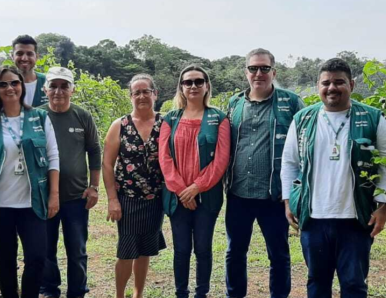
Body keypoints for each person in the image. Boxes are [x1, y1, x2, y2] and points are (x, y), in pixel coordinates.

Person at [281, 58, 386, 298]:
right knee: (317, 283)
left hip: (356, 219)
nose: (332, 88)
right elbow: (289, 162)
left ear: (352, 85)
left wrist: (384, 207)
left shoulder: (372, 118)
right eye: (326, 83)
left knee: (354, 285)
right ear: (318, 86)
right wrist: (288, 202)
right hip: (314, 219)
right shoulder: (303, 120)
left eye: (339, 82)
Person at [0, 66, 60, 298]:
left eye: (14, 83)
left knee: (37, 257)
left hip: (33, 202)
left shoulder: (39, 118)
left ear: (21, 85)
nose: (9, 88)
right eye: (3, 84)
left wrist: (54, 194)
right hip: (0, 205)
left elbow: (53, 156)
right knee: (6, 259)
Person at [224, 48, 304, 298]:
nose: (258, 73)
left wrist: (296, 191)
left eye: (264, 68)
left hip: (274, 196)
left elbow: (304, 147)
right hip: (239, 193)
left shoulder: (290, 102)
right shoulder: (235, 103)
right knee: (235, 252)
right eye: (253, 68)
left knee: (278, 253)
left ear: (273, 71)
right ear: (246, 72)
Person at [160, 65, 231, 298]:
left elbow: (221, 161)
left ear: (206, 85)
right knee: (181, 250)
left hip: (207, 197)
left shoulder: (218, 118)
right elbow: (165, 158)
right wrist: (183, 191)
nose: (193, 86)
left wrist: (196, 188)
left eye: (198, 82)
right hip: (177, 196)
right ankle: (181, 293)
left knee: (203, 249)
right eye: (188, 82)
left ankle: (202, 293)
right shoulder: (171, 118)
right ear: (181, 87)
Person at [102, 74, 167, 298]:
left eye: (145, 91)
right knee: (127, 251)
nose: (141, 96)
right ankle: (120, 295)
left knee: (145, 249)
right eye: (136, 92)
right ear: (131, 97)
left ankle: (138, 294)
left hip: (155, 200)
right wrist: (112, 200)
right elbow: (107, 165)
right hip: (127, 200)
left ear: (155, 94)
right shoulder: (119, 126)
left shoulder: (166, 123)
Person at [39, 67, 102, 298]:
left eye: (64, 86)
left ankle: (77, 291)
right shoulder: (36, 115)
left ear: (72, 90)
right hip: (43, 197)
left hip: (76, 197)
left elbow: (94, 151)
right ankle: (48, 290)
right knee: (45, 249)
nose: (58, 91)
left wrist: (94, 187)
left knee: (77, 250)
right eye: (53, 86)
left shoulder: (82, 116)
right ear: (45, 89)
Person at [12, 35, 48, 107]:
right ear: (12, 56)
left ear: (36, 57)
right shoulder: (4, 83)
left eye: (29, 54)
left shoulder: (48, 82)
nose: (24, 58)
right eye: (19, 53)